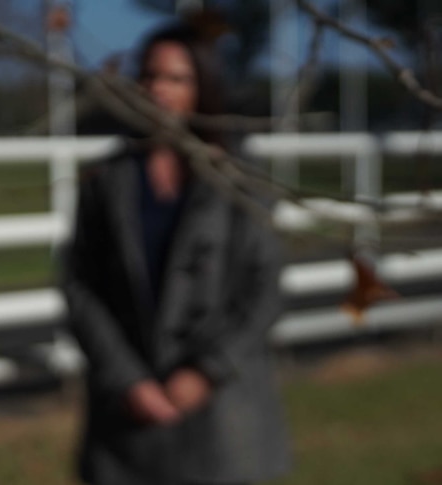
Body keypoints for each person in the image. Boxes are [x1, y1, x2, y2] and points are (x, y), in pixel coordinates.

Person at [61, 21, 291, 485]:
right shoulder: (107, 175)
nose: (158, 89)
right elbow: (79, 281)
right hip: (128, 420)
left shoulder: (238, 175)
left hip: (223, 414)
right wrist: (127, 380)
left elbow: (263, 285)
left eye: (176, 78)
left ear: (201, 87)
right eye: (149, 75)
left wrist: (207, 370)